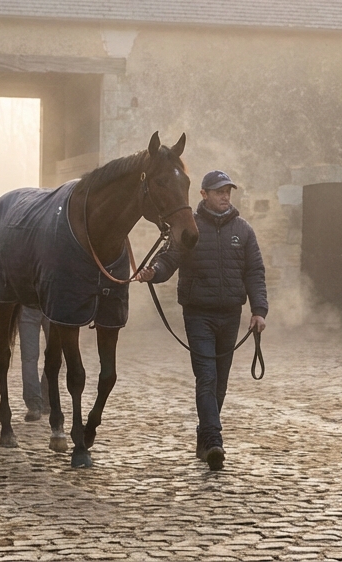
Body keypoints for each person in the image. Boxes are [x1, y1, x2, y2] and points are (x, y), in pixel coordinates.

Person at [134, 169, 268, 471]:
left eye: (227, 192)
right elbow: (169, 259)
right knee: (206, 376)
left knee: (220, 382)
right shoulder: (189, 229)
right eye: (219, 191)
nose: (224, 196)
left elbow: (254, 272)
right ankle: (213, 440)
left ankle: (204, 436)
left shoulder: (243, 231)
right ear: (204, 195)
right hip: (198, 314)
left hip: (231, 314)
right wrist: (154, 272)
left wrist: (259, 310)